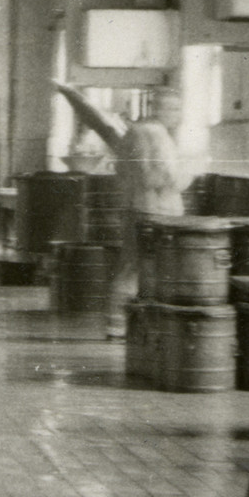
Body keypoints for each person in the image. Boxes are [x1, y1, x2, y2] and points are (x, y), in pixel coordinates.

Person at [56, 83, 197, 337]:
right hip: (158, 211)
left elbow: (122, 171)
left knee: (129, 266)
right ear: (159, 108)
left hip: (134, 208)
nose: (178, 114)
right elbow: (166, 177)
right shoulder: (158, 135)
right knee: (151, 269)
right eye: (173, 108)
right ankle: (139, 326)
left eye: (178, 108)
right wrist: (190, 173)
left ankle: (116, 323)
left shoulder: (134, 132)